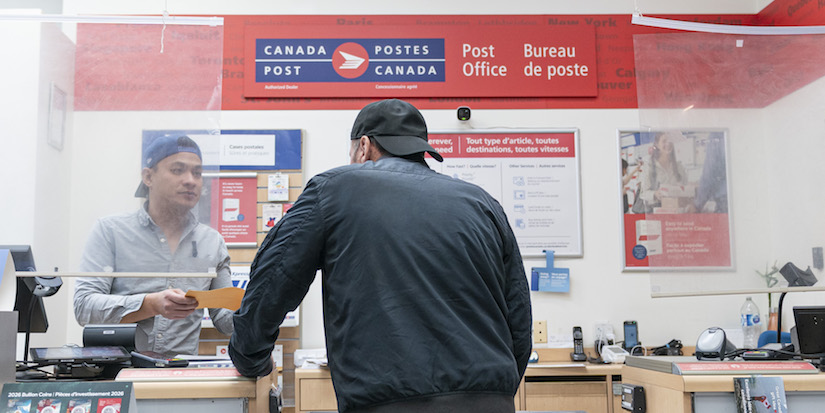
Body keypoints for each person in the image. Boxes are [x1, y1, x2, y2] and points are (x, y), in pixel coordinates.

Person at [230, 99, 532, 413]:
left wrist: (250, 358)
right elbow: (519, 318)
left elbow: (274, 278)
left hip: (390, 402)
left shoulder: (334, 189)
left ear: (364, 146)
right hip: (489, 401)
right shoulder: (482, 203)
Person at [74, 135, 234, 356]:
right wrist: (149, 304)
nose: (191, 180)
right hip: (119, 376)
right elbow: (84, 307)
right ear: (148, 177)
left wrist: (262, 308)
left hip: (180, 379)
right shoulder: (110, 231)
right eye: (178, 170)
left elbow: (225, 320)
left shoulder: (212, 242)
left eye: (197, 173)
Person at [633, 131, 687, 213]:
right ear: (657, 145)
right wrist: (655, 194)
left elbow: (685, 189)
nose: (668, 144)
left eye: (670, 141)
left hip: (674, 212)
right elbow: (643, 193)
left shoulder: (679, 166)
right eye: (664, 141)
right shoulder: (648, 164)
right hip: (654, 213)